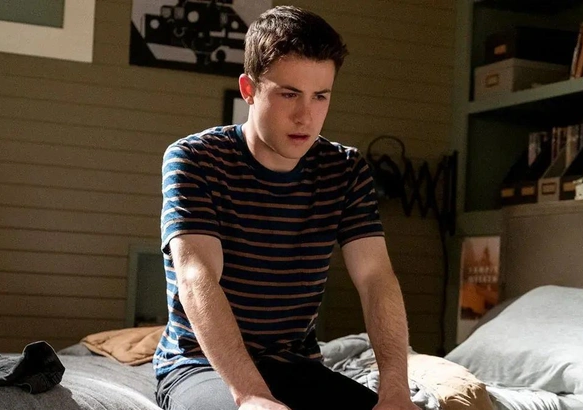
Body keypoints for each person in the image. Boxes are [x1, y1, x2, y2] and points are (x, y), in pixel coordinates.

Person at [154, 5, 419, 410]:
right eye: (289, 94)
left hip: (295, 366)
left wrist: (395, 391)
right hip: (203, 365)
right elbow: (197, 277)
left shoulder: (344, 169)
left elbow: (375, 279)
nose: (305, 116)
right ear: (248, 89)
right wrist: (252, 395)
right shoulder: (194, 159)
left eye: (320, 97)